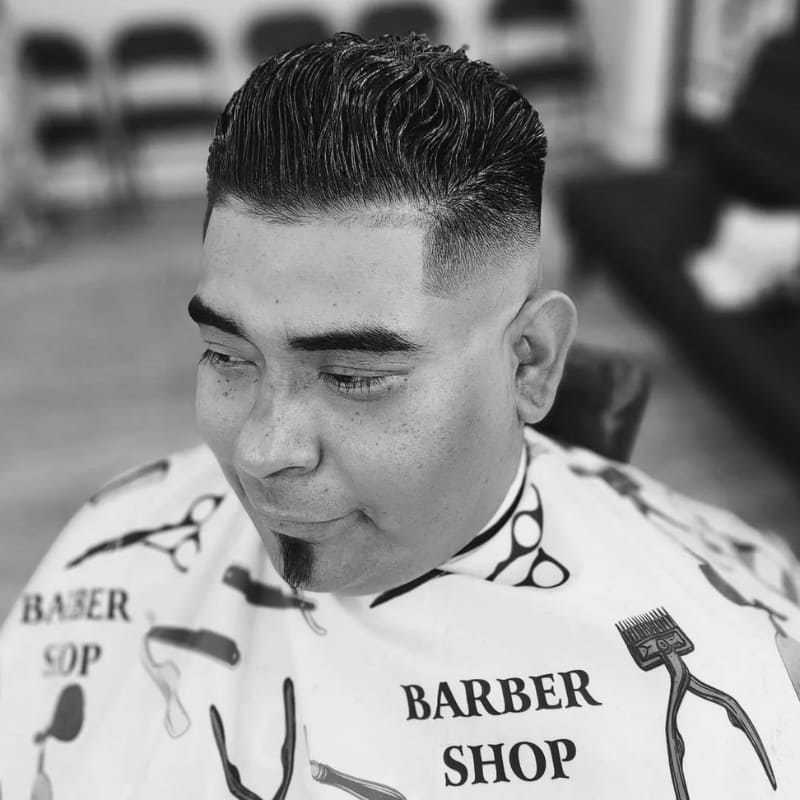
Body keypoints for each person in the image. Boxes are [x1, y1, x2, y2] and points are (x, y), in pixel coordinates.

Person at [1, 32, 799, 799]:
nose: (261, 451)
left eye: (351, 376)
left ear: (531, 363)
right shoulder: (115, 547)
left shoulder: (736, 659)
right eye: (227, 356)